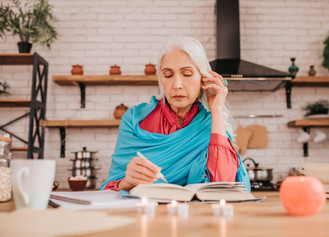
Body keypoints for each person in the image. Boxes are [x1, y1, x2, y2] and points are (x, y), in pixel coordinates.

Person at [101, 37, 250, 192]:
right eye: (168, 75)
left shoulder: (212, 125)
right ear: (161, 78)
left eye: (187, 74)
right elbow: (110, 189)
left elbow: (222, 187)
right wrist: (126, 182)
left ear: (203, 78)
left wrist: (217, 110)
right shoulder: (134, 120)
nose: (177, 85)